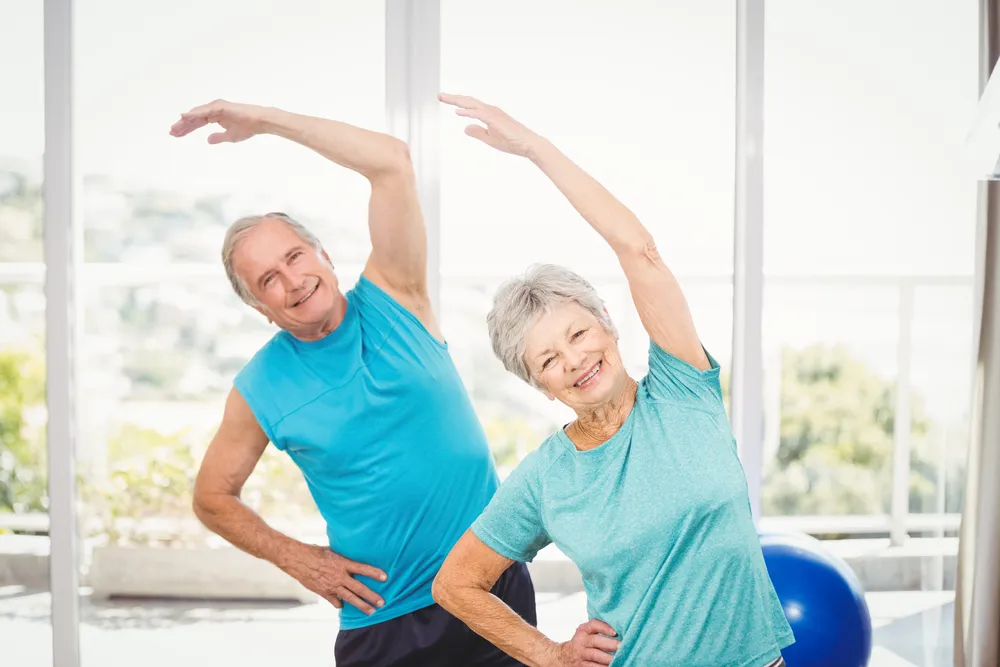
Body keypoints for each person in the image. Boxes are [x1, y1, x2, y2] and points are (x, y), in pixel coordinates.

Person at [431, 93, 796, 667]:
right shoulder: (546, 478)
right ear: (540, 385)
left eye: (578, 334)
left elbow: (639, 250)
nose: (574, 361)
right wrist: (549, 654)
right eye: (548, 360)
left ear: (608, 324)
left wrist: (534, 150)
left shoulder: (683, 390)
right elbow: (455, 584)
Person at [169, 99, 536, 666]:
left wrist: (264, 123)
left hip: (491, 586)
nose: (292, 280)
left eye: (295, 256)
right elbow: (212, 498)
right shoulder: (259, 387)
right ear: (259, 307)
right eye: (268, 279)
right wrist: (300, 560)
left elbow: (390, 162)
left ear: (325, 254)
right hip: (387, 622)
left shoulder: (397, 295)